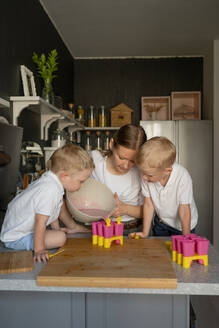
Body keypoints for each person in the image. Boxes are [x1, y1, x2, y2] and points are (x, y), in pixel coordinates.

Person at [0, 144, 94, 262]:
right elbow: (40, 221)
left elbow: (54, 208)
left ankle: (64, 229)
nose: (82, 185)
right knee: (60, 238)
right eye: (81, 181)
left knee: (57, 233)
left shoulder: (51, 180)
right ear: (65, 176)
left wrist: (57, 228)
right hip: (15, 238)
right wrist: (39, 249)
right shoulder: (49, 190)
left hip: (19, 230)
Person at [133, 136, 198, 238]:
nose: (144, 177)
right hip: (161, 223)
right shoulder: (147, 175)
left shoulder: (182, 176)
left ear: (167, 171)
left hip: (183, 227)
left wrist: (186, 237)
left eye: (149, 175)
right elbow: (149, 205)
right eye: (143, 173)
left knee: (180, 252)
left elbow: (184, 210)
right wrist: (145, 233)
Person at [90, 124, 147, 234]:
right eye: (121, 157)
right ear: (111, 144)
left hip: (135, 230)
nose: (126, 166)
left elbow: (153, 211)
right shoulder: (94, 162)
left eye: (132, 161)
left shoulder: (143, 171)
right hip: (103, 228)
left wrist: (125, 209)